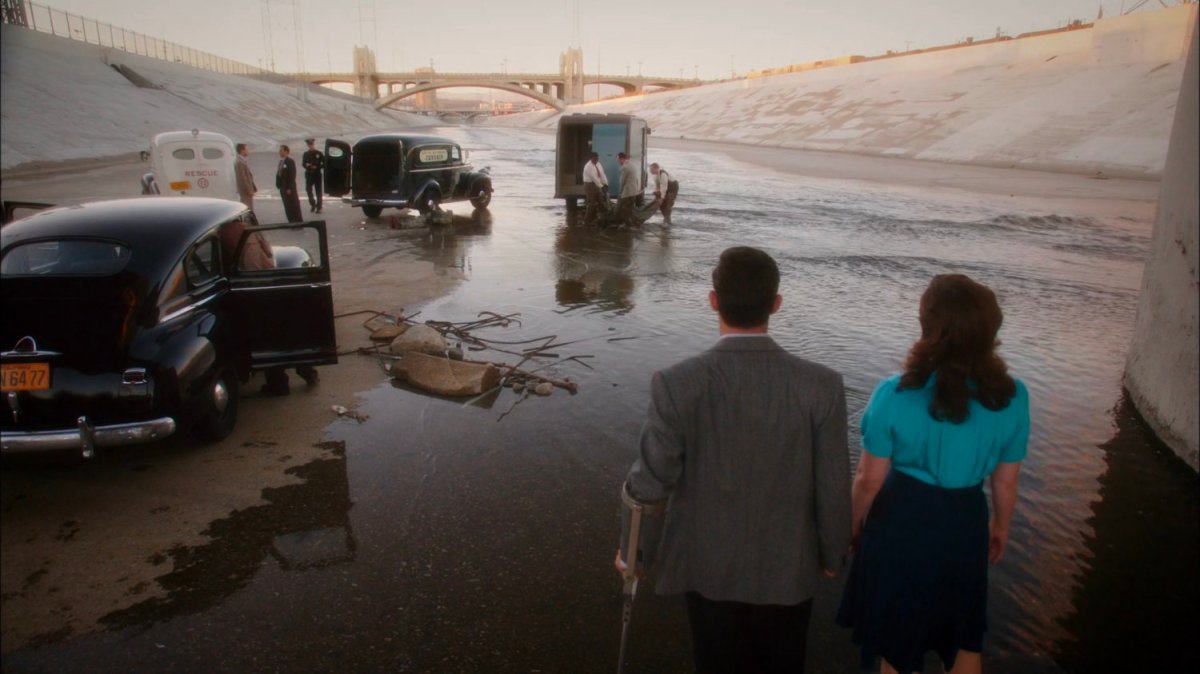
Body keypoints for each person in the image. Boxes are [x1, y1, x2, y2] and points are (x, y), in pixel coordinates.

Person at [617, 246, 851, 674]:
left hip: (708, 567)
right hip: (789, 570)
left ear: (713, 300)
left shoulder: (676, 383)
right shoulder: (822, 386)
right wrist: (833, 552)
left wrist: (635, 554)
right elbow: (833, 484)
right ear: (776, 304)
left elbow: (649, 483)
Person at [837, 273, 1030, 674]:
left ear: (927, 326)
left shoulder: (896, 392)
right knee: (964, 635)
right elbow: (1006, 481)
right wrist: (1001, 526)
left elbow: (868, 479)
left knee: (896, 640)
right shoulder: (1011, 396)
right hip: (965, 520)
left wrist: (851, 523)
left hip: (901, 520)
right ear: (990, 331)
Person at [276, 144, 304, 223]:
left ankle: (298, 221)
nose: (279, 152)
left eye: (281, 150)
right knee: (287, 205)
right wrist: (278, 184)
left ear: (286, 151)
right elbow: (279, 174)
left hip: (289, 188)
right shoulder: (281, 162)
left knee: (293, 204)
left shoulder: (290, 161)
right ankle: (291, 220)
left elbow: (292, 175)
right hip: (282, 187)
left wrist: (289, 188)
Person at [582, 152, 610, 226]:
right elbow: (594, 178)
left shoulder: (598, 164)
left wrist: (606, 184)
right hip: (589, 185)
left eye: (597, 158)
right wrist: (601, 187)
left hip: (596, 184)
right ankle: (587, 221)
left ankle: (602, 220)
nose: (596, 160)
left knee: (601, 202)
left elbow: (602, 174)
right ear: (591, 158)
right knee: (592, 203)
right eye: (595, 159)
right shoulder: (588, 167)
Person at [616, 152, 640, 227]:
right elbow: (636, 179)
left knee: (624, 208)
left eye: (618, 160)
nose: (618, 162)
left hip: (627, 191)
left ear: (621, 159)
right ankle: (632, 223)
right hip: (633, 190)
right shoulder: (632, 164)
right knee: (630, 208)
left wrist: (620, 193)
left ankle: (628, 225)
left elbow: (622, 181)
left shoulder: (625, 167)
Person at [235, 143, 257, 221]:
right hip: (245, 191)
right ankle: (248, 223)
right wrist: (248, 190)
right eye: (247, 149)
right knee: (247, 207)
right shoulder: (240, 162)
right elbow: (243, 178)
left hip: (246, 190)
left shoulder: (242, 161)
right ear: (242, 150)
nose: (248, 151)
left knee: (249, 206)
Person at [302, 138, 325, 213]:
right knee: (308, 189)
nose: (310, 146)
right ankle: (312, 204)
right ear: (308, 145)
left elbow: (324, 163)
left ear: (313, 144)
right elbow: (303, 164)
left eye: (311, 144)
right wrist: (308, 166)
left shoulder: (319, 153)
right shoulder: (306, 154)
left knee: (318, 191)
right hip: (309, 174)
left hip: (317, 174)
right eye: (309, 144)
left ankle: (319, 206)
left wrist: (318, 167)